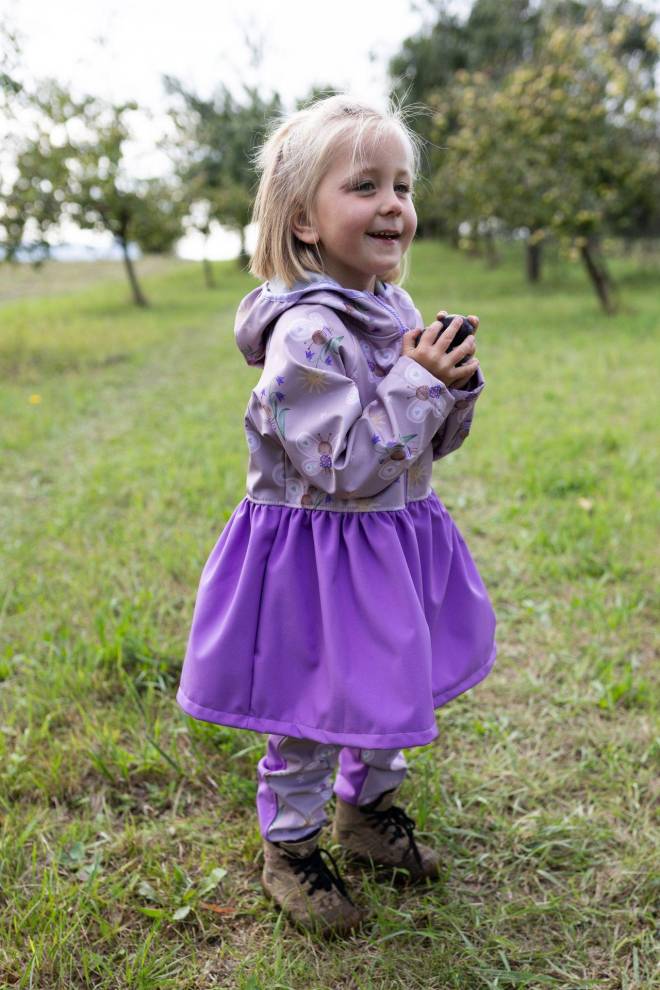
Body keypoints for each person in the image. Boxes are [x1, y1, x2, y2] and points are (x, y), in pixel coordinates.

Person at [177, 93, 497, 937]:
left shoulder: (395, 308)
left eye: (402, 185)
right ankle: (290, 848)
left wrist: (451, 386)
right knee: (313, 713)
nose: (393, 204)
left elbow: (422, 447)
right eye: (365, 185)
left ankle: (368, 812)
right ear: (304, 220)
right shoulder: (306, 334)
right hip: (319, 558)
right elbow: (343, 467)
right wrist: (419, 384)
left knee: (391, 686)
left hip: (389, 544)